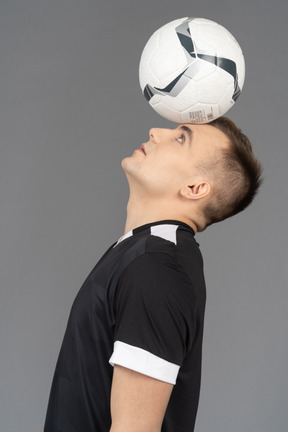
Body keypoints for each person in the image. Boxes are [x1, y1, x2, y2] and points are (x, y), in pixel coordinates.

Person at [43, 117, 262, 432]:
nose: (156, 132)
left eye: (181, 139)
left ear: (195, 188)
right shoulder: (139, 252)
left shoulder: (158, 267)